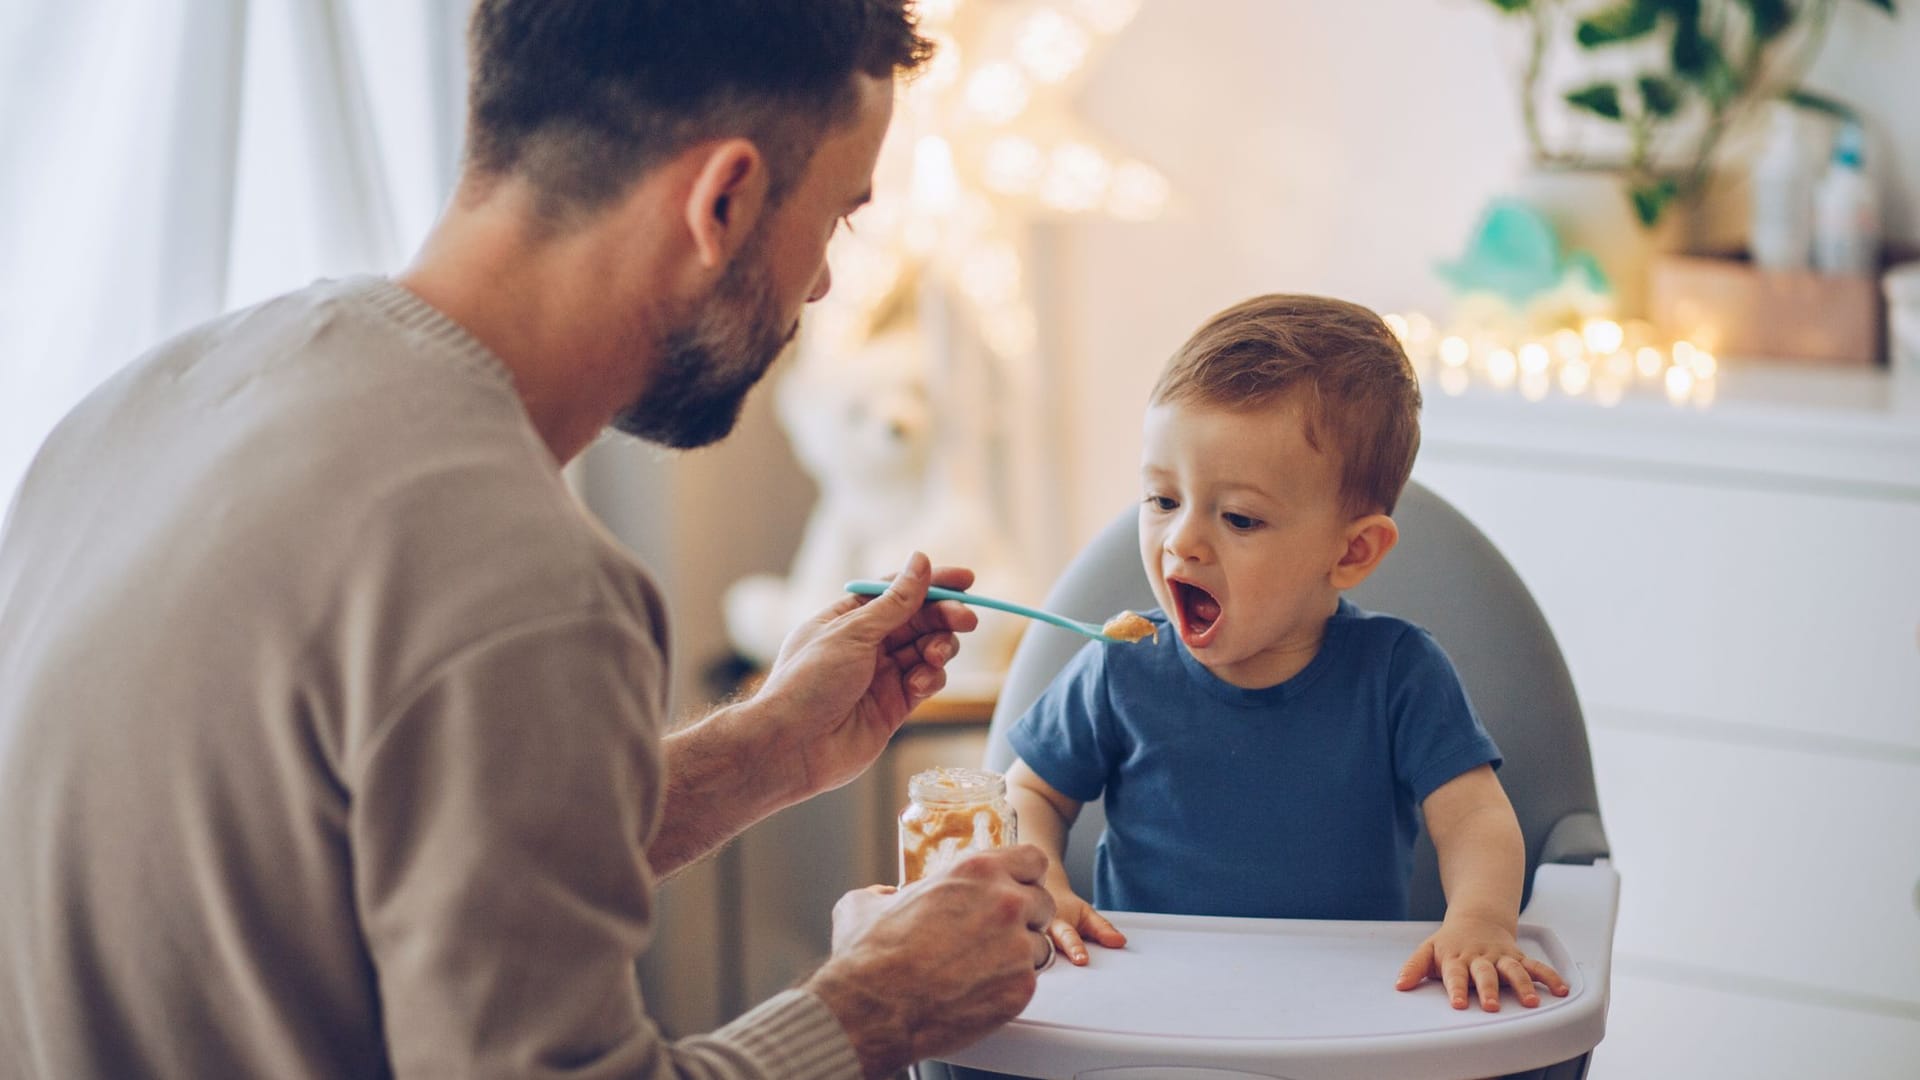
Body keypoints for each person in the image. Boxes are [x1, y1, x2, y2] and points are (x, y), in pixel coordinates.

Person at [0, 3, 1058, 1077]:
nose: (823, 284)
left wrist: (769, 751)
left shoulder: (148, 402)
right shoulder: (522, 580)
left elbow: (364, 859)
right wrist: (880, 1005)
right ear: (724, 199)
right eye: (837, 218)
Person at [1003, 295, 1570, 1014]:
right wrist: (1045, 879)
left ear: (1351, 551)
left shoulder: (1399, 676)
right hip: (1146, 1012)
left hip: (1339, 1016)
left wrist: (1481, 923)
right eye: (1161, 499)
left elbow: (1475, 819)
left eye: (1238, 516)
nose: (1182, 542)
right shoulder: (1123, 667)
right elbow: (1029, 793)